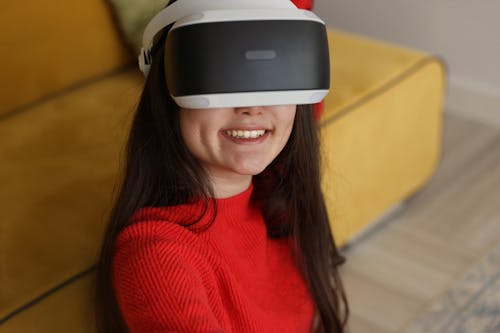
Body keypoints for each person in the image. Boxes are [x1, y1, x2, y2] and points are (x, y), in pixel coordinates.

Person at [94, 0, 348, 332]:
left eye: (275, 74)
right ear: (165, 90)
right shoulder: (156, 257)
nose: (252, 106)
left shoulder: (281, 193)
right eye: (222, 75)